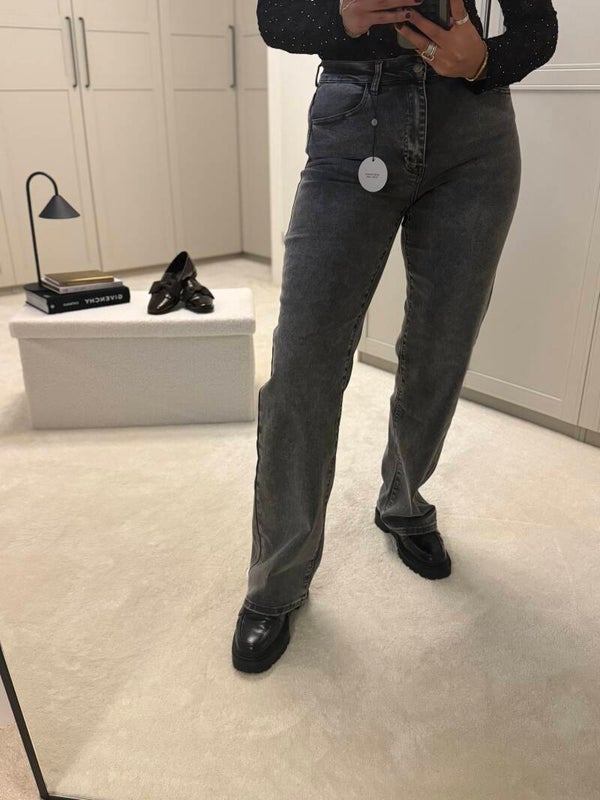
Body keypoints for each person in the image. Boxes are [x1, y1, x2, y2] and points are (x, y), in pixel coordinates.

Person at [232, 0, 559, 674]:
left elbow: (538, 26)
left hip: (476, 132)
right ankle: (278, 578)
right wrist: (343, 15)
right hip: (353, 116)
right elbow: (274, 17)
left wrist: (487, 59)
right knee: (303, 362)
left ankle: (404, 502)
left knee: (442, 347)